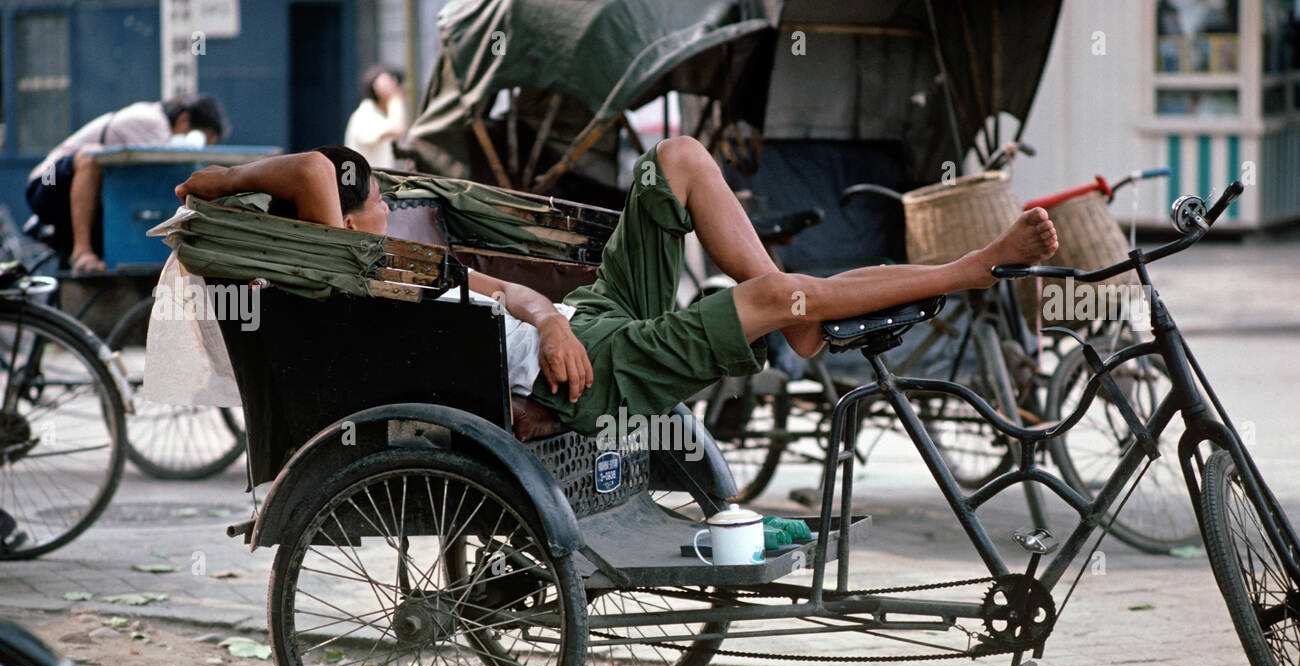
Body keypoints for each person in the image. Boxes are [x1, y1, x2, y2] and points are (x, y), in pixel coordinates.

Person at [173, 141, 1057, 440]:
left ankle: (795, 322)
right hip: (589, 377)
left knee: (676, 161)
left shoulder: (407, 267)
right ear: (318, 228)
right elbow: (310, 169)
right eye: (365, 212)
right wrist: (223, 183)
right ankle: (972, 265)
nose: (386, 217)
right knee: (789, 297)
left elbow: (509, 295)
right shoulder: (351, 278)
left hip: (584, 331)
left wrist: (552, 311)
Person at [27, 94, 229, 273]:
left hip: (91, 201)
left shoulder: (155, 122)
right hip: (47, 184)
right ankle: (81, 251)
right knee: (91, 155)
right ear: (184, 119)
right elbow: (167, 170)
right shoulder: (150, 120)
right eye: (203, 137)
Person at [344, 66, 408, 170]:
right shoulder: (366, 115)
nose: (403, 96)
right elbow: (398, 129)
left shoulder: (380, 116)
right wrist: (394, 96)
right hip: (363, 184)